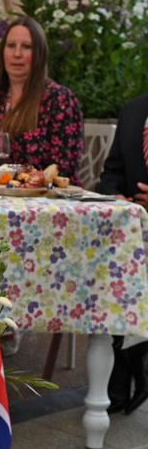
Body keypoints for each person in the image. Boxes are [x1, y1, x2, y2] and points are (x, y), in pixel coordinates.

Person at [98, 92, 148, 414]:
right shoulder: (133, 110)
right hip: (134, 229)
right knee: (105, 270)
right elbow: (111, 171)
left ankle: (138, 358)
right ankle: (116, 383)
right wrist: (116, 195)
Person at [0, 16, 84, 181]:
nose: (17, 54)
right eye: (11, 45)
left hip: (47, 198)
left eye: (26, 47)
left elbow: (64, 167)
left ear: (39, 54)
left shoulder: (59, 99)